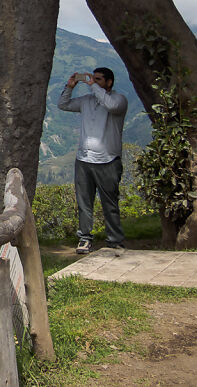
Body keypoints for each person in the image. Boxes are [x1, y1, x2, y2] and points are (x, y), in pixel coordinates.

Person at [58, 67, 129, 254]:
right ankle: (85, 238)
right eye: (93, 79)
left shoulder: (119, 100)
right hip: (83, 160)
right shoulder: (86, 101)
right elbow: (63, 105)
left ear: (109, 82)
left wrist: (92, 87)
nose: (94, 82)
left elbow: (112, 106)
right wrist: (70, 86)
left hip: (108, 160)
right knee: (84, 202)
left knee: (110, 203)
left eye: (98, 79)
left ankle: (115, 240)